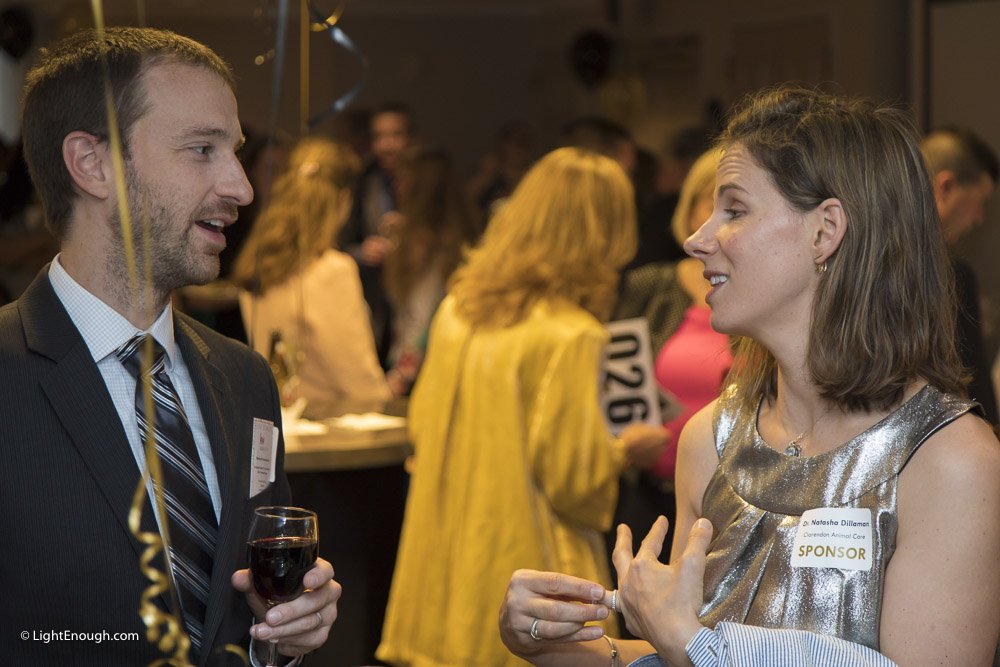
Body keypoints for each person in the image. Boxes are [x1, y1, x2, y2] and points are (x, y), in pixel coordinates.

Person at [499, 86, 1000, 666]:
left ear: (825, 230)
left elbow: (690, 647)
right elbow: (674, 653)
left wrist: (694, 645)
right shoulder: (711, 440)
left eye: (734, 210)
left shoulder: (950, 463)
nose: (696, 238)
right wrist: (551, 642)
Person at [3, 26, 341, 665]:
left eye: (235, 152)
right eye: (202, 149)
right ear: (92, 164)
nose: (242, 187)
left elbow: (240, 617)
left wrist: (286, 632)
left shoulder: (244, 379)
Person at [376, 147, 668, 667]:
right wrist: (624, 453)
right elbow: (574, 480)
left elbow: (420, 426)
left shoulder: (456, 311)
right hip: (534, 584)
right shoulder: (570, 333)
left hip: (442, 577)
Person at [611, 148, 732, 561]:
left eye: (735, 206)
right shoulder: (650, 286)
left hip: (733, 503)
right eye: (710, 200)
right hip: (649, 496)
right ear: (689, 206)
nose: (719, 217)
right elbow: (606, 383)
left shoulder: (765, 296)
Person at [232, 136, 390, 409]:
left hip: (278, 421)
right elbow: (357, 376)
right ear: (343, 199)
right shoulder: (331, 270)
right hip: (333, 427)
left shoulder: (258, 263)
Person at [382, 146, 480, 396]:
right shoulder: (461, 238)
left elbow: (420, 317)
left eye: (402, 180)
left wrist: (400, 376)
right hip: (451, 364)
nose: (397, 187)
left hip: (421, 373)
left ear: (420, 190)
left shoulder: (426, 245)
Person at [920, 126, 999, 426]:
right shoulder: (952, 278)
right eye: (980, 201)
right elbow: (975, 398)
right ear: (946, 187)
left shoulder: (851, 260)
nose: (979, 218)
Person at [337, 102, 417, 367]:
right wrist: (362, 251)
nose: (387, 145)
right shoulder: (362, 179)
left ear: (411, 138)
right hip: (373, 294)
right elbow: (340, 241)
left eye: (395, 135)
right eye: (380, 137)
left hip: (414, 294)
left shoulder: (425, 181)